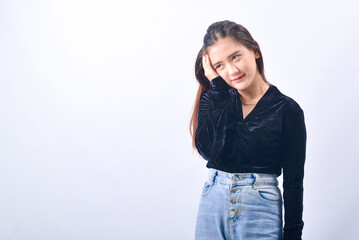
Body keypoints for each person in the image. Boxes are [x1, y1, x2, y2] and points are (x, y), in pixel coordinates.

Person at [189, 20, 307, 240]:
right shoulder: (213, 98)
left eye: (235, 57)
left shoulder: (287, 110)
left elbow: (293, 181)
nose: (232, 70)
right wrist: (219, 90)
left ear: (254, 50)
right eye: (219, 66)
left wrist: (293, 235)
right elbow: (208, 151)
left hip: (261, 211)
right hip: (211, 208)